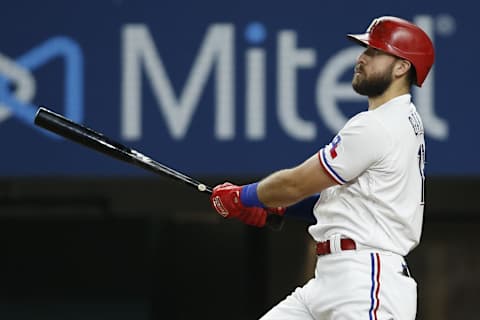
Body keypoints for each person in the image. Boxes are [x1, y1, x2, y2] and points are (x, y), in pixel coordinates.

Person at [210, 16, 433, 320]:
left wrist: (245, 196)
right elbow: (349, 201)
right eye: (364, 50)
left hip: (366, 279)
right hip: (329, 279)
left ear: (401, 67)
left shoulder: (378, 125)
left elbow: (296, 183)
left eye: (374, 52)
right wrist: (280, 209)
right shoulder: (400, 119)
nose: (361, 58)